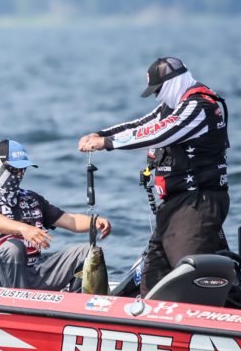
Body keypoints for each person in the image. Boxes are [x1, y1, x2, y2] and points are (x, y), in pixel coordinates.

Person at [78, 57, 230, 296]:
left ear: (172, 82)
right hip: (173, 205)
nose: (158, 96)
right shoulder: (173, 106)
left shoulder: (201, 107)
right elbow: (142, 124)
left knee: (187, 276)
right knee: (152, 275)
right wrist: (100, 134)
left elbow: (158, 133)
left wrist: (106, 143)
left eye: (158, 90)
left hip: (196, 203)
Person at [0, 139, 111, 290]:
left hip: (33, 274)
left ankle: (82, 306)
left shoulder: (32, 199)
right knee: (14, 247)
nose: (20, 174)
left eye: (23, 169)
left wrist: (94, 222)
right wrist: (24, 229)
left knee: (87, 253)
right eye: (15, 169)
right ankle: (19, 305)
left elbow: (69, 220)